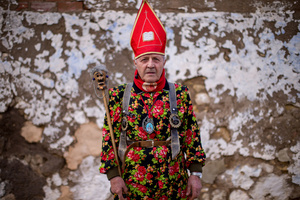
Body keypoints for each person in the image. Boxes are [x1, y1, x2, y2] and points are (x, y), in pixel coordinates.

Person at [99, 1, 206, 199]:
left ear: (164, 61)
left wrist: (196, 174)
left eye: (155, 59)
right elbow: (109, 139)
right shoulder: (117, 96)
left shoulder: (180, 94)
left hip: (173, 185)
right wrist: (113, 177)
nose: (150, 65)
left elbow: (191, 135)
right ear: (135, 62)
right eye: (144, 59)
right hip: (131, 185)